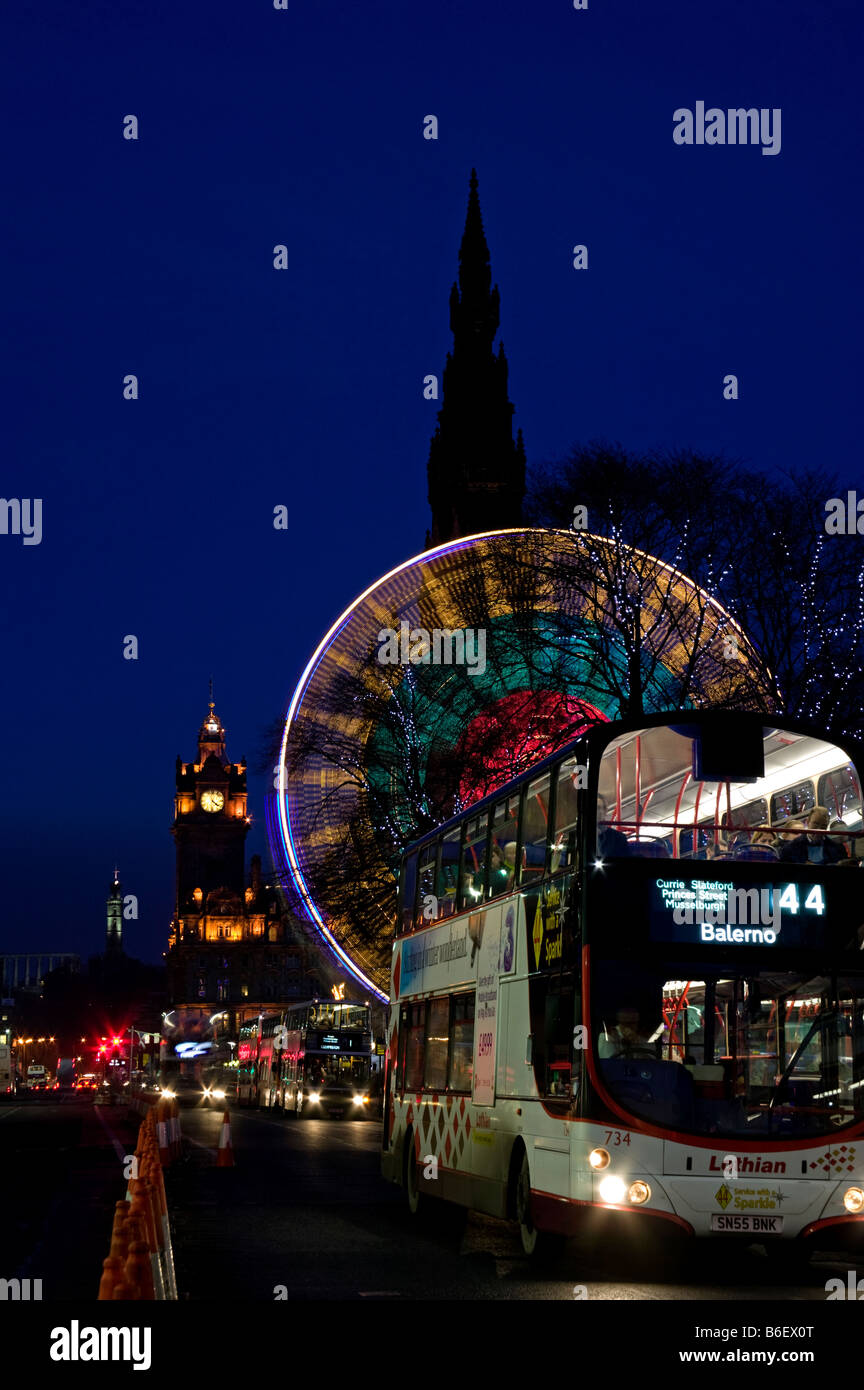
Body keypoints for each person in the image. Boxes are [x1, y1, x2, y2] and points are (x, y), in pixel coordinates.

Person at [779, 806, 847, 864]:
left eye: (823, 826)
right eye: (815, 824)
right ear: (808, 822)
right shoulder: (790, 848)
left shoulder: (837, 848)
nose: (818, 829)